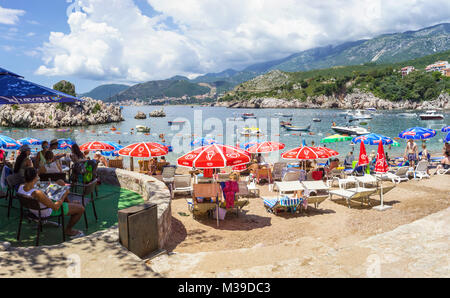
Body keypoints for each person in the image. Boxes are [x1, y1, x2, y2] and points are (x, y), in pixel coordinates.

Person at [18, 167, 85, 238]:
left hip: (34, 209)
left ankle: (70, 205)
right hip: (46, 211)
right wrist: (64, 194)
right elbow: (56, 207)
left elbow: (37, 194)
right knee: (81, 208)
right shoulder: (37, 193)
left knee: (60, 182)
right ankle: (68, 230)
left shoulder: (21, 187)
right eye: (37, 175)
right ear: (35, 178)